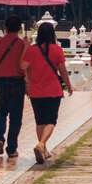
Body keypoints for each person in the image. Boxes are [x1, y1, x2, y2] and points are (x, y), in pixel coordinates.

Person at [21, 20, 72, 163]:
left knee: (40, 120)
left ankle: (43, 149)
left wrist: (27, 81)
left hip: (35, 91)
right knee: (51, 120)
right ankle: (42, 144)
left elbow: (22, 66)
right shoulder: (57, 49)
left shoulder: (31, 50)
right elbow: (62, 71)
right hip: (53, 90)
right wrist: (68, 85)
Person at [0, 15, 29, 159]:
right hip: (17, 82)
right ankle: (11, 148)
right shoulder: (22, 44)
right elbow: (24, 67)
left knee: (1, 113)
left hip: (1, 82)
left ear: (5, 28)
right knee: (16, 117)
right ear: (19, 28)